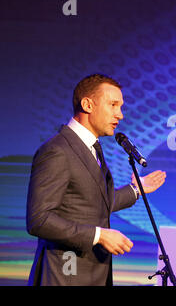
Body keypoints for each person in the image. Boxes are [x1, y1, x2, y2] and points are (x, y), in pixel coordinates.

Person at [26, 73, 166, 286]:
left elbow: (92, 202)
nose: (120, 115)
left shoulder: (91, 148)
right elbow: (39, 220)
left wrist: (136, 189)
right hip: (67, 270)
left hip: (92, 272)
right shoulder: (58, 151)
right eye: (113, 105)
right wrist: (99, 235)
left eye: (120, 107)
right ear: (87, 104)